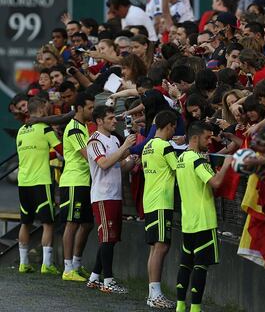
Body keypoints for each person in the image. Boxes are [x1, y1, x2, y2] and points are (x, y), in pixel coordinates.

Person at [175, 121, 233, 312]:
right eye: (207, 137)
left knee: (185, 265)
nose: (210, 141)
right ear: (194, 138)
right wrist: (226, 165)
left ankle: (181, 305)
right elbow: (215, 182)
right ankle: (196, 308)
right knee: (201, 266)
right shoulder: (197, 160)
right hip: (204, 220)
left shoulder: (181, 158)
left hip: (188, 221)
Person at [85, 106, 138, 293]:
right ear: (99, 121)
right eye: (110, 118)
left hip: (115, 195)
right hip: (102, 195)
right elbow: (105, 163)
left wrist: (132, 161)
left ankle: (94, 277)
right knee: (107, 238)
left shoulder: (114, 139)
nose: (115, 121)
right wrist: (125, 147)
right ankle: (108, 281)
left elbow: (120, 166)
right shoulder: (94, 141)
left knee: (111, 239)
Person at [16, 97, 62, 274]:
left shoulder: (21, 131)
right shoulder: (45, 129)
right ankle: (47, 264)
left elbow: (32, 154)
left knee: (25, 223)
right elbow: (62, 151)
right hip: (41, 181)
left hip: (23, 182)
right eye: (47, 108)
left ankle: (23, 263)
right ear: (42, 110)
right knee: (48, 223)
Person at [142, 110, 178, 309]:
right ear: (170, 126)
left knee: (155, 248)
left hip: (150, 201)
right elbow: (179, 169)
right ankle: (155, 295)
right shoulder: (165, 147)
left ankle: (152, 294)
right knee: (161, 247)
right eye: (174, 127)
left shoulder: (148, 145)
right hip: (162, 202)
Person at [60, 93, 95, 282]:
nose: (93, 110)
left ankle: (76, 264)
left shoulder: (82, 127)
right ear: (80, 108)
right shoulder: (74, 129)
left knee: (87, 223)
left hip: (84, 182)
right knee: (72, 223)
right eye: (90, 107)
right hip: (74, 181)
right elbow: (87, 155)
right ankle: (67, 269)